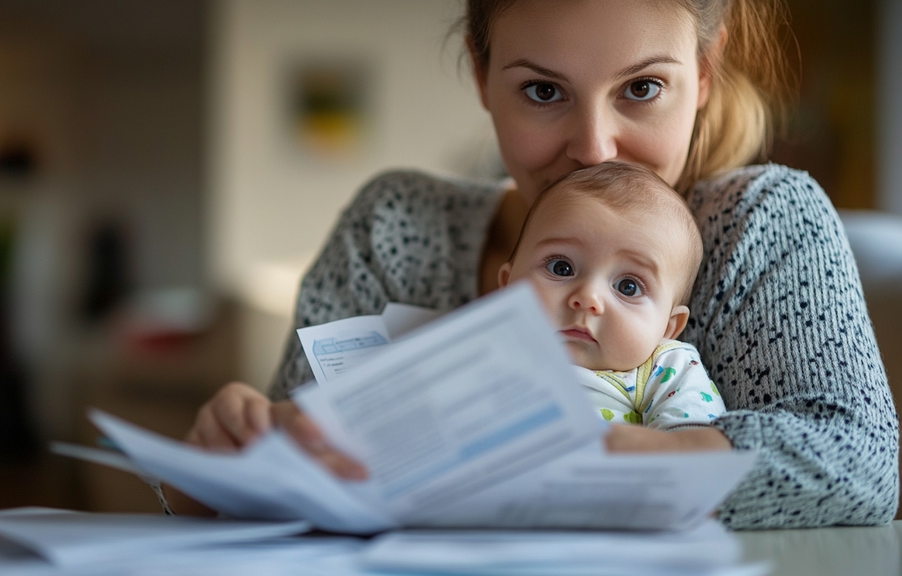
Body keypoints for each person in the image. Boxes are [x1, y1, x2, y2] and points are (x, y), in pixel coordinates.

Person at [184, 0, 899, 529]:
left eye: (642, 88)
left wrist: (625, 463)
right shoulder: (394, 227)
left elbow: (863, 464)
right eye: (544, 91)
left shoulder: (761, 223)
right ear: (481, 74)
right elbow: (284, 491)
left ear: (704, 75)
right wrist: (232, 464)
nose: (594, 148)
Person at [497, 162, 726, 429]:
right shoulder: (478, 348)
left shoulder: (664, 368)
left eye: (628, 287)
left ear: (668, 326)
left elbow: (695, 444)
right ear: (506, 287)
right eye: (562, 268)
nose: (588, 298)